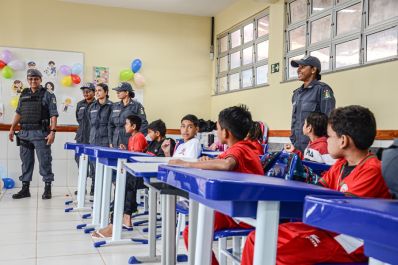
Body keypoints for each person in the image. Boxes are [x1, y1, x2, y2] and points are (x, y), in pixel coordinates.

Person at [241, 105, 391, 265]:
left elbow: (345, 213)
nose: (326, 140)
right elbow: (317, 189)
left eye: (329, 136)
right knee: (256, 239)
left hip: (351, 239)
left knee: (279, 254)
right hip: (326, 228)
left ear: (343, 140)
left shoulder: (372, 169)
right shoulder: (340, 165)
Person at [169, 105, 264, 265]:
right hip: (238, 207)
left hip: (243, 213)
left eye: (218, 128)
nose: (216, 132)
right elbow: (221, 161)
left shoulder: (240, 149)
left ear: (226, 132)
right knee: (194, 225)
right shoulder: (238, 148)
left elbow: (226, 164)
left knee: (192, 231)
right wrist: (208, 161)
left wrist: (185, 164)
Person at [8, 69, 58, 200]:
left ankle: (47, 189)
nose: (33, 81)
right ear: (27, 80)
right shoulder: (23, 94)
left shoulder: (48, 94)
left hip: (40, 133)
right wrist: (12, 128)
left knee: (45, 161)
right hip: (24, 133)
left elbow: (53, 115)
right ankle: (25, 189)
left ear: (40, 80)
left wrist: (52, 132)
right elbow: (18, 112)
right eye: (30, 79)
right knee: (26, 162)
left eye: (36, 78)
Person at [290, 55, 336, 153]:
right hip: (297, 147)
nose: (298, 70)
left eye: (302, 67)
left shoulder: (323, 89)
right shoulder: (297, 93)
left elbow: (329, 118)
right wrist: (293, 140)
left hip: (316, 148)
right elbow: (294, 120)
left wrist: (324, 144)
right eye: (298, 67)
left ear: (313, 69)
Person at [87, 83, 112, 195]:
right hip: (93, 140)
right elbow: (90, 122)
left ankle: (105, 193)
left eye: (100, 90)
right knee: (94, 168)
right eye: (96, 90)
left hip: (106, 141)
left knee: (105, 169)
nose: (97, 92)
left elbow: (112, 125)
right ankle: (97, 193)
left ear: (106, 92)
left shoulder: (112, 106)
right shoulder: (92, 106)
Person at [108, 82, 148, 148]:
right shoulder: (115, 106)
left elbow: (143, 124)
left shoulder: (137, 106)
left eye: (119, 91)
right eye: (117, 91)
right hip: (115, 141)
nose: (117, 93)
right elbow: (110, 124)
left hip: (129, 141)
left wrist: (136, 140)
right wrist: (110, 141)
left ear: (127, 92)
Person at [75, 82, 96, 194]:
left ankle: (94, 186)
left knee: (93, 163)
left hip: (92, 138)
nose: (86, 93)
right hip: (81, 137)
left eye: (88, 91)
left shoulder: (97, 105)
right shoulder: (80, 104)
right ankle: (82, 187)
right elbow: (78, 120)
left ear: (94, 92)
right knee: (80, 162)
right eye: (84, 91)